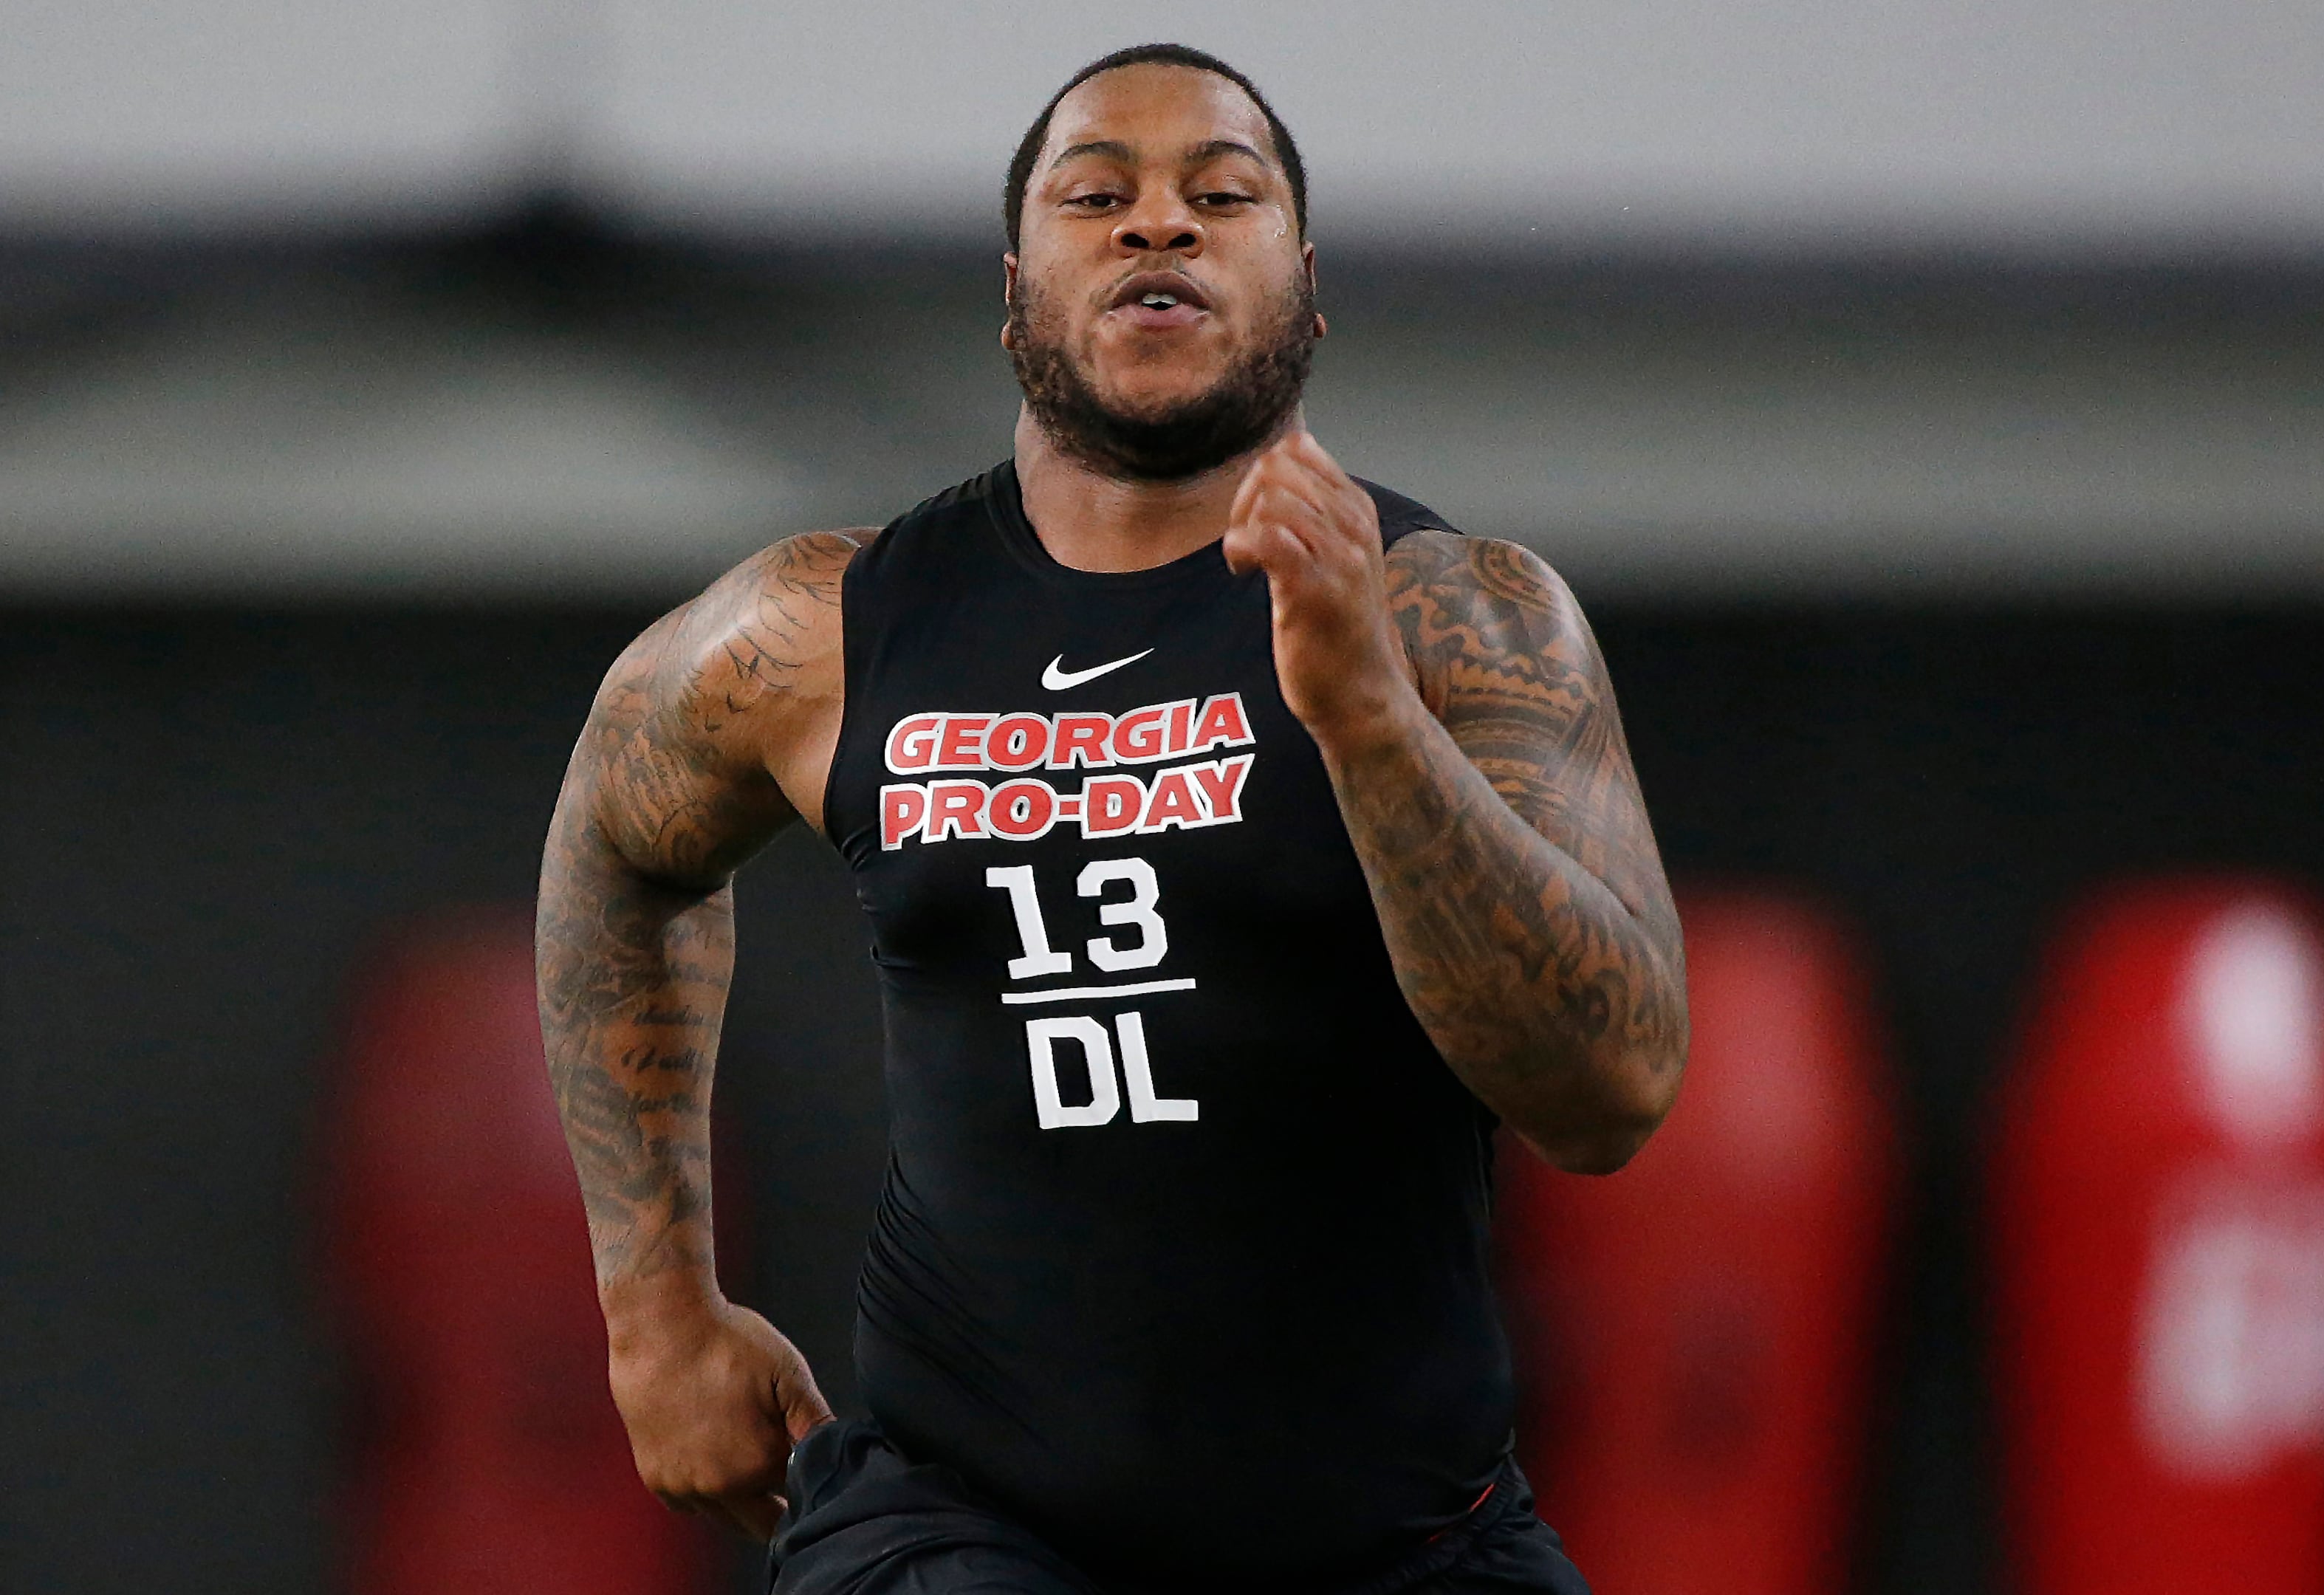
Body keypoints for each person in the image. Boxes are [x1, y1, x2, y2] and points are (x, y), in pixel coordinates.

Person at [536, 41, 1688, 1595]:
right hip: (970, 1523)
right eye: (1100, 195)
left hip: (1400, 1539)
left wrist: (1366, 717)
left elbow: (1607, 1091)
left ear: (1307, 288)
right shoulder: (831, 626)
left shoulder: (1458, 618)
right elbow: (616, 846)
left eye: (1225, 193)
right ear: (1015, 295)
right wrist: (656, 1312)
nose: (1163, 224)